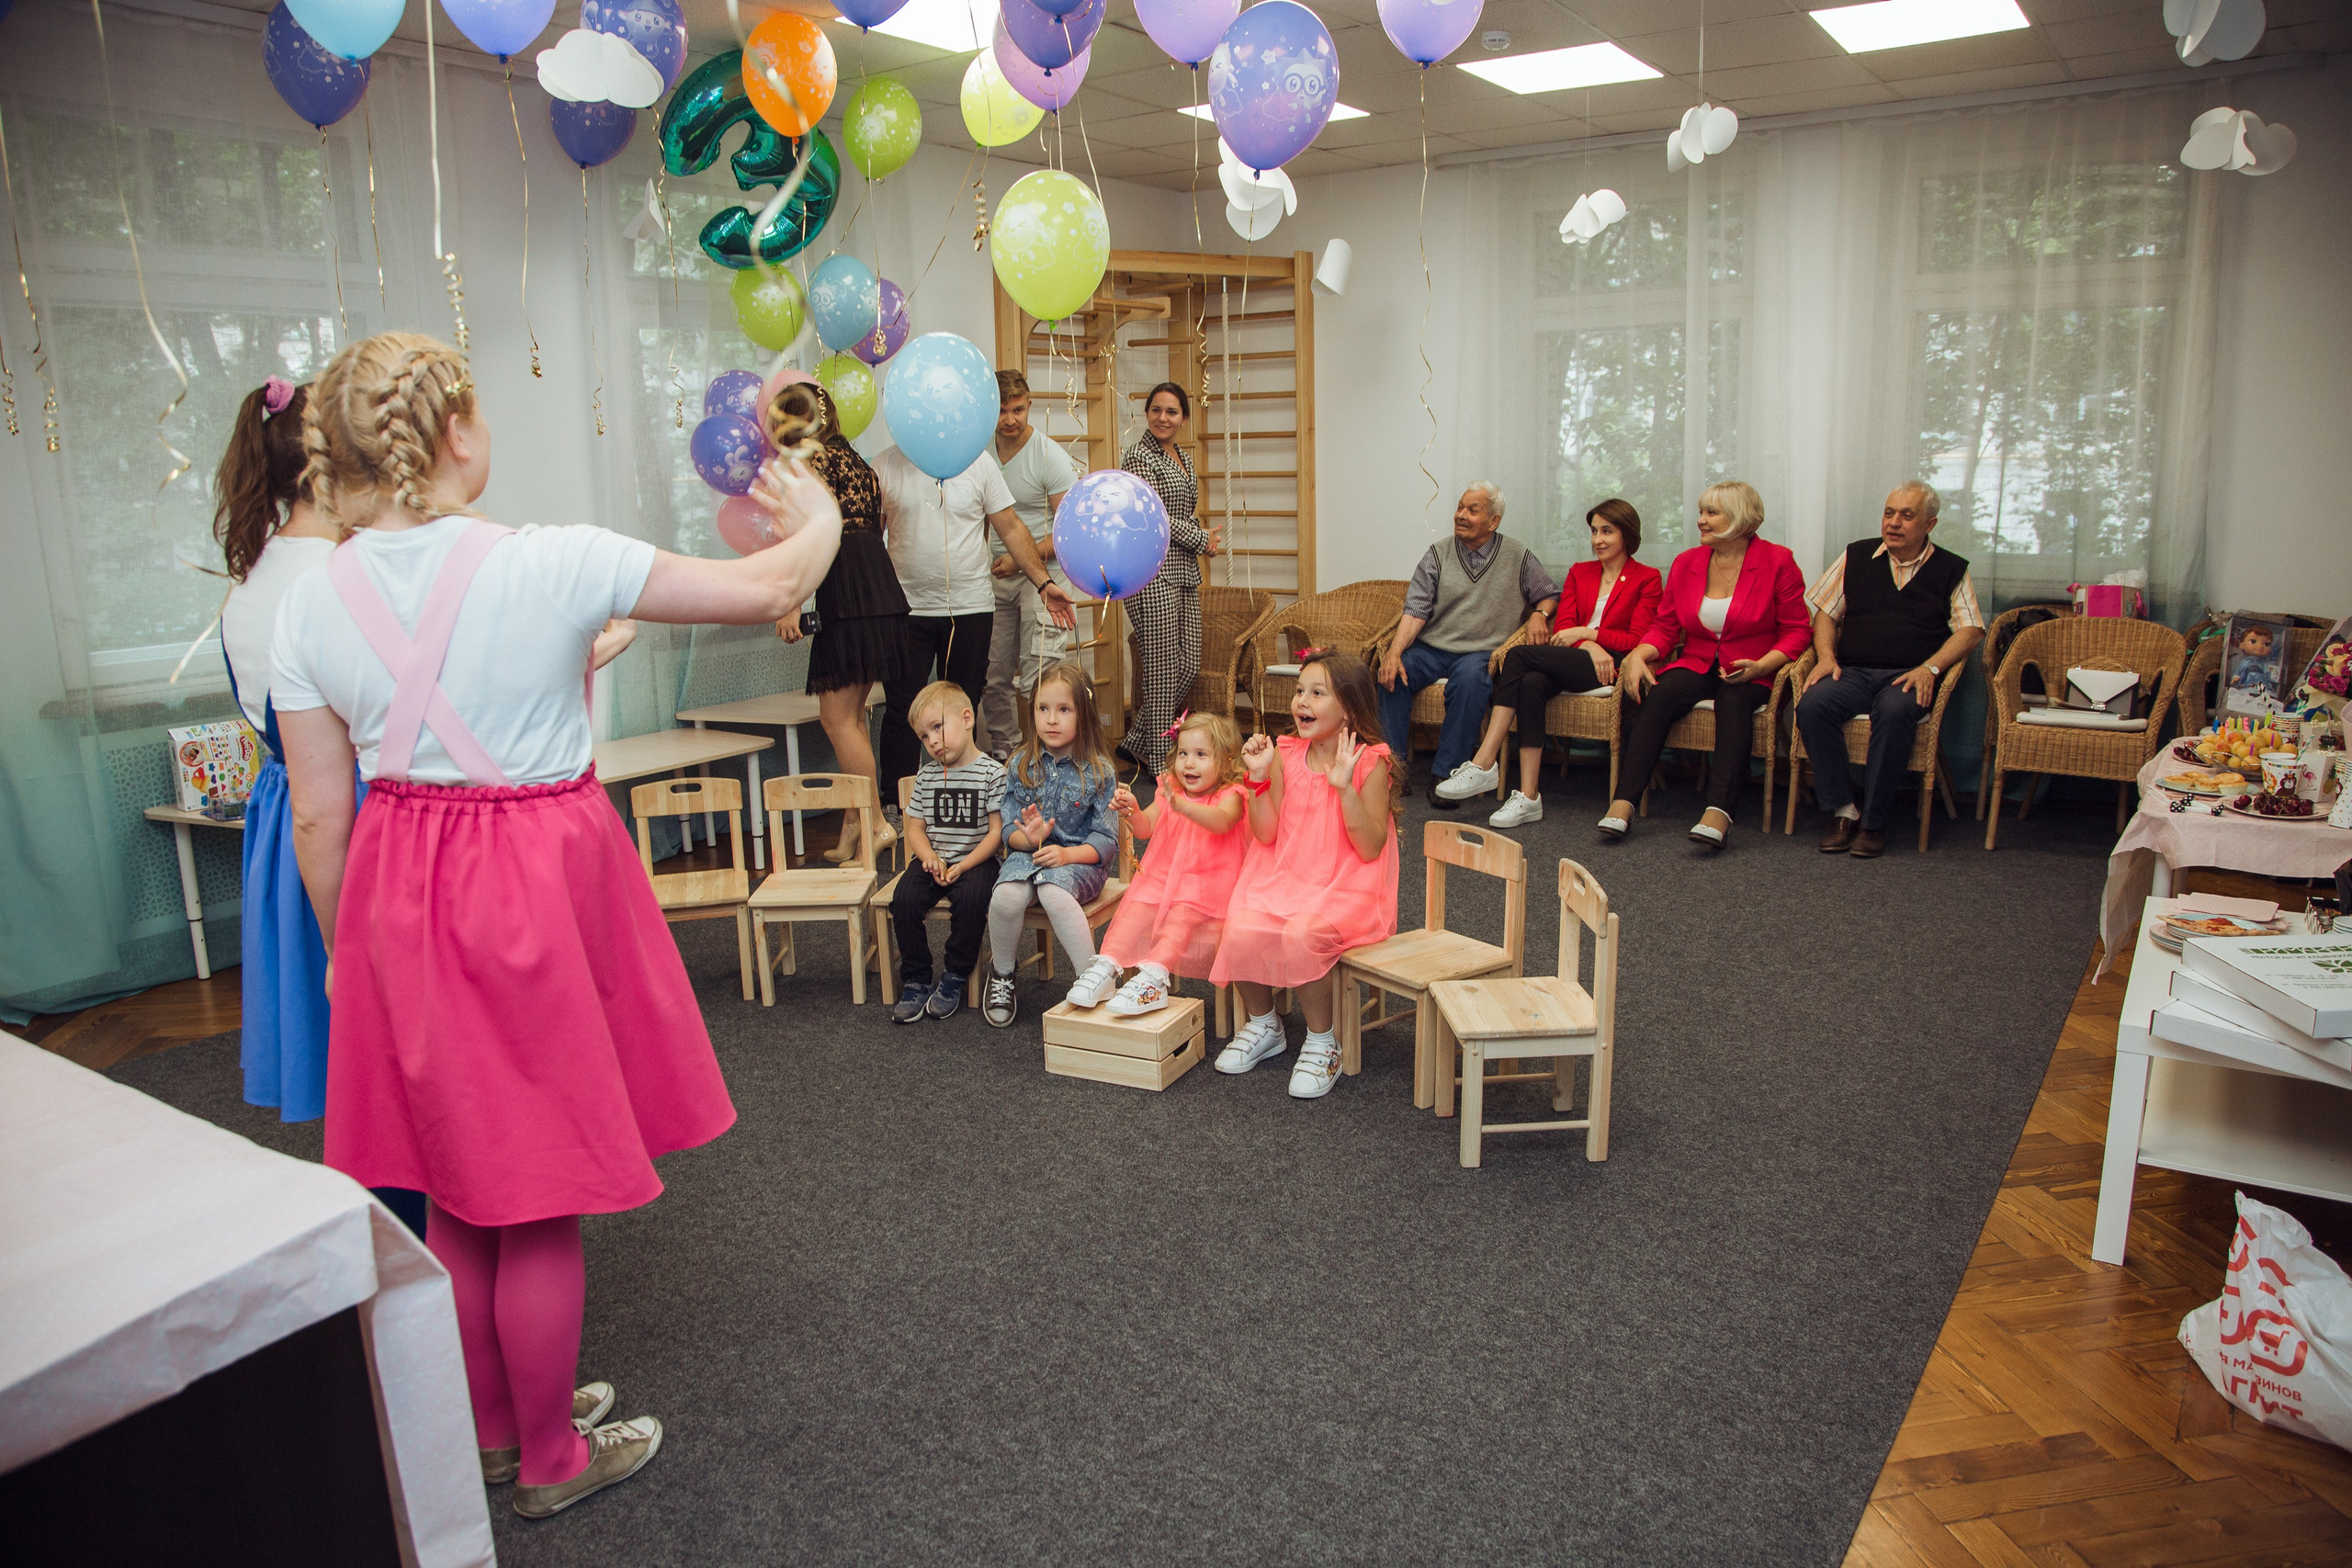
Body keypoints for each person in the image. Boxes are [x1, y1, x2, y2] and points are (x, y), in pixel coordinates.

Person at [274, 333, 842, 1520]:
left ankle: (494, 1429)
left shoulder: (305, 597)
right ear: (454, 436)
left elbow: (322, 818)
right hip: (527, 881)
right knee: (531, 1191)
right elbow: (774, 586)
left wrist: (342, 956)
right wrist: (823, 508)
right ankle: (549, 1458)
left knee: (451, 1177)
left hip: (397, 894)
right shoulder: (548, 560)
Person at [1210, 649, 1400, 1100]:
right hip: (1287, 872)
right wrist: (1257, 780)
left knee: (1302, 933)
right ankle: (1264, 1024)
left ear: (1350, 708)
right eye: (1300, 691)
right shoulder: (1286, 753)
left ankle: (1322, 1039)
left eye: (1318, 693)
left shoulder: (1372, 762)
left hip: (1348, 882)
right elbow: (1267, 831)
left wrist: (1344, 789)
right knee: (1238, 922)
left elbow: (1371, 846)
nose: (1302, 702)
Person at [1434, 497, 1663, 828]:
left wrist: (1590, 636)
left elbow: (1637, 639)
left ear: (1627, 535)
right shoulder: (1580, 573)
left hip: (1613, 666)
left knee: (1518, 656)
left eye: (1607, 532)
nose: (1597, 539)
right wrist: (1588, 644)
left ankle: (1484, 761)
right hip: (1581, 658)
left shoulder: (1647, 578)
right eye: (1594, 531)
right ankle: (1528, 797)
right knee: (1530, 683)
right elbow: (1564, 628)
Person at [1604, 480, 1808, 848]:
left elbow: (1797, 632)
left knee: (1733, 704)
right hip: (1698, 660)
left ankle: (1719, 811)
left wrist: (1763, 666)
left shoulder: (1778, 561)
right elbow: (1665, 626)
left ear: (1741, 519)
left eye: (1711, 513)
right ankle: (1624, 802)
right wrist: (1638, 655)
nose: (1701, 520)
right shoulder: (1687, 563)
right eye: (1701, 511)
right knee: (1659, 697)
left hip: (1752, 667)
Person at [874, 444, 1073, 807]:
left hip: (969, 608)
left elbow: (1010, 527)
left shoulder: (977, 462)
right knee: (903, 708)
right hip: (905, 609)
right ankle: (897, 804)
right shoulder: (886, 464)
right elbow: (870, 539)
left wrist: (1043, 583)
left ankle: (965, 800)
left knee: (963, 706)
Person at [1795, 482, 1984, 857]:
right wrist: (1826, 656)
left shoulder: (1950, 568)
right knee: (1813, 706)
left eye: (1906, 515)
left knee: (1896, 713)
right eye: (1889, 513)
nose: (1894, 523)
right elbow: (1825, 614)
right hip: (1852, 671)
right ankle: (1844, 810)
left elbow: (1972, 629)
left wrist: (1930, 668)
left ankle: (1874, 822)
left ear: (1929, 524)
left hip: (1907, 675)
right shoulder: (1856, 555)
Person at [774, 380, 905, 866]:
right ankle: (856, 823)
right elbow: (877, 526)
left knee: (837, 719)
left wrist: (792, 602)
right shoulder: (860, 464)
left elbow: (815, 538)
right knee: (853, 718)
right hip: (877, 588)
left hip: (847, 592)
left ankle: (873, 822)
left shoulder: (809, 465)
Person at [1377, 482, 1557, 804]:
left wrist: (1539, 614)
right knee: (1391, 675)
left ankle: (1446, 775)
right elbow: (1416, 609)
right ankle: (1393, 771)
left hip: (1481, 652)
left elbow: (1548, 593)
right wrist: (1394, 652)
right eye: (1460, 508)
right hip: (1433, 647)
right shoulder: (1438, 554)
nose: (1461, 515)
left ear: (1493, 521)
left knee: (1471, 683)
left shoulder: (1518, 556)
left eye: (1472, 510)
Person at [1080, 711, 1251, 1017]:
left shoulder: (1231, 795)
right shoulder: (1171, 789)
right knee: (1134, 909)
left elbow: (1223, 822)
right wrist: (1132, 808)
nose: (1188, 763)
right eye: (1183, 753)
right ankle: (1107, 967)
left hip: (1208, 886)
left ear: (1226, 761)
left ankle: (1153, 979)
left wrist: (1184, 806)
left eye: (1201, 755)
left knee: (1179, 919)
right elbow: (1145, 828)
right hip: (1163, 879)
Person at [983, 662, 1118, 1028]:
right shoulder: (1020, 764)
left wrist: (1067, 854)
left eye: (1064, 710)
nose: (1051, 720)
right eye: (1043, 709)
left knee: (1054, 893)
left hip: (1082, 863)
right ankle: (1003, 974)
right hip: (1028, 857)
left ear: (1084, 714)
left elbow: (1105, 842)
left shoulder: (1100, 770)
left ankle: (1092, 982)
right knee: (1006, 897)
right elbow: (1007, 832)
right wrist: (1025, 838)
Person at [889, 681, 1007, 1025]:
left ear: (968, 718)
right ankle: (917, 977)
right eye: (924, 737)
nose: (933, 742)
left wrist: (965, 864)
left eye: (938, 727)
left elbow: (997, 832)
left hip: (978, 860)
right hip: (935, 857)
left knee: (972, 903)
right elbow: (914, 827)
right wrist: (928, 857)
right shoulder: (926, 776)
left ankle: (955, 974)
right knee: (904, 900)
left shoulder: (992, 773)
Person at [1118, 384, 1221, 773]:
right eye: (1156, 410)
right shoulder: (1138, 457)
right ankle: (1162, 764)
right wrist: (1202, 538)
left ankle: (1136, 741)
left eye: (1172, 412)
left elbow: (1180, 512)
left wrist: (1201, 538)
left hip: (1182, 570)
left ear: (1183, 418)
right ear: (1146, 414)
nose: (1163, 418)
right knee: (1161, 671)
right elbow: (1154, 516)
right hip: (1150, 572)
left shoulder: (1181, 455)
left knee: (1188, 664)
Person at [983, 370, 1080, 758]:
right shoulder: (978, 450)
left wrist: (1022, 559)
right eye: (1002, 411)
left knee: (1041, 677)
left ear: (1030, 405)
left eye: (1018, 410)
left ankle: (1047, 755)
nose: (1010, 419)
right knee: (993, 676)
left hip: (1043, 575)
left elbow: (1070, 532)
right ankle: (1006, 755)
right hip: (992, 577)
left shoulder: (1049, 456)